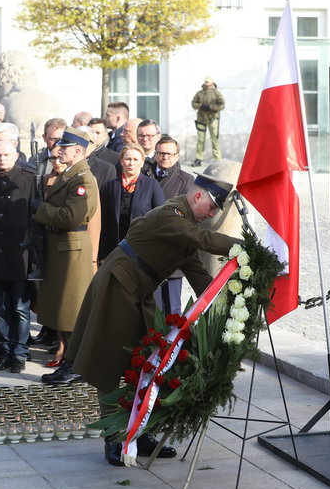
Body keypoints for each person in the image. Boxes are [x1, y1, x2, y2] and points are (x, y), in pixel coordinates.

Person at [47, 175, 239, 465]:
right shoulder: (170, 215)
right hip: (118, 287)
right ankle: (113, 437)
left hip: (139, 292)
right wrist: (245, 247)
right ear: (197, 197)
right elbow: (204, 240)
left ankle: (140, 431)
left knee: (147, 361)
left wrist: (227, 307)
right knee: (110, 362)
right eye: (212, 207)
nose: (212, 215)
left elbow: (200, 276)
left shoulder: (185, 225)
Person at [32, 128, 98, 373]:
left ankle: (74, 366)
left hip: (71, 251)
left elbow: (71, 217)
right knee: (61, 309)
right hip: (62, 249)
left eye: (65, 147)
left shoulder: (83, 179)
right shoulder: (72, 174)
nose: (59, 151)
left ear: (78, 151)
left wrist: (41, 210)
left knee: (71, 311)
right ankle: (70, 362)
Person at [0, 140, 36, 373]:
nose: (2, 158)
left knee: (21, 309)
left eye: (6, 154)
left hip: (20, 255)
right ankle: (4, 352)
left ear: (16, 154)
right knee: (0, 308)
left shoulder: (30, 178)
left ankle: (19, 353)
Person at [143, 136, 194, 315]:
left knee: (172, 309)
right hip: (146, 250)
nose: (165, 157)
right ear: (155, 154)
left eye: (169, 154)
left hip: (172, 251)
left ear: (177, 156)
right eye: (161, 153)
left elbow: (189, 216)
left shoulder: (186, 181)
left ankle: (173, 343)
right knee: (150, 307)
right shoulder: (143, 175)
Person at [99, 143, 165, 262]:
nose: (131, 163)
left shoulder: (151, 185)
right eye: (128, 159)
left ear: (142, 162)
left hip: (142, 248)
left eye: (135, 159)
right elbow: (103, 222)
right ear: (121, 161)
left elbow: (161, 218)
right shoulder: (110, 186)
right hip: (114, 248)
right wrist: (102, 254)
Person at [191, 75, 225, 166]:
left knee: (214, 139)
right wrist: (201, 106)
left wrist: (210, 107)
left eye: (208, 81)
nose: (206, 83)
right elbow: (193, 104)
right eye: (205, 81)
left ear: (212, 82)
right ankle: (198, 159)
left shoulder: (216, 93)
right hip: (201, 118)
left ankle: (218, 160)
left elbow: (222, 105)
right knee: (200, 139)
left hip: (212, 118)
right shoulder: (200, 93)